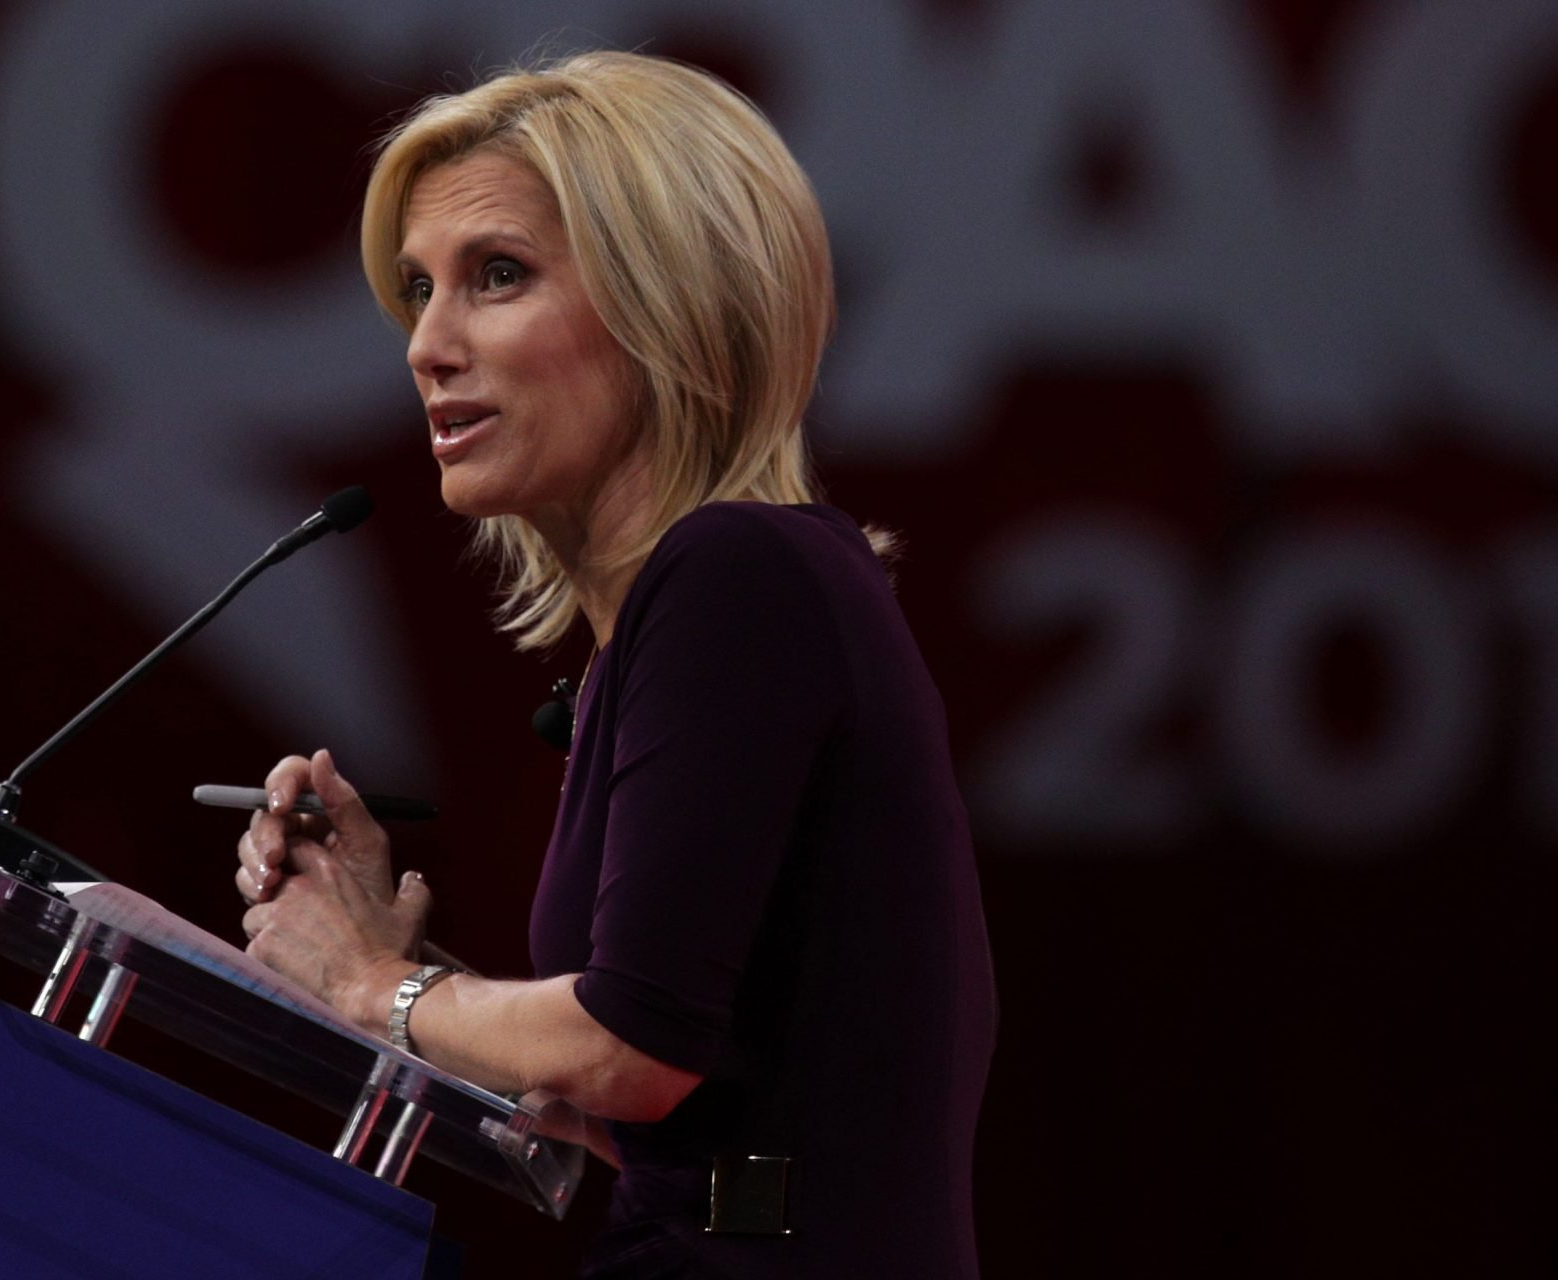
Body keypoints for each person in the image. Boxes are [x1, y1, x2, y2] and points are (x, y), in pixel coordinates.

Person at [228, 51, 995, 1279]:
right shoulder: (741, 591)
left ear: (669, 304)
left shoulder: (737, 572)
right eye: (418, 289)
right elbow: (667, 1090)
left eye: (498, 276)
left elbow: (633, 1046)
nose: (427, 343)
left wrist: (377, 986)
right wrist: (392, 956)